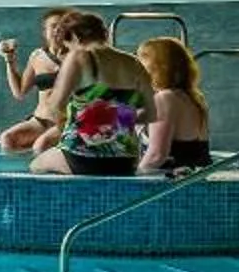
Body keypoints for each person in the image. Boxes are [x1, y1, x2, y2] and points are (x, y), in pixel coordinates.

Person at [29, 12, 152, 176]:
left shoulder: (80, 56)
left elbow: (55, 107)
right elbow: (150, 112)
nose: (68, 50)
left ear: (75, 37)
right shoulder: (134, 62)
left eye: (68, 44)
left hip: (83, 156)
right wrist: (117, 119)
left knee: (36, 166)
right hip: (126, 160)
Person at [0, 8, 79, 153]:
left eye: (62, 27)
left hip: (66, 122)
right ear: (45, 32)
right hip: (40, 120)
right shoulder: (37, 56)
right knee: (7, 138)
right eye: (53, 26)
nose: (57, 30)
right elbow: (20, 93)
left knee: (41, 145)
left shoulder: (77, 57)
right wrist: (9, 60)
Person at [136, 36, 213, 174]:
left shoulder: (165, 98)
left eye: (142, 63)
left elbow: (157, 155)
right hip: (197, 180)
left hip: (173, 185)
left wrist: (133, 177)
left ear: (156, 68)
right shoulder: (194, 98)